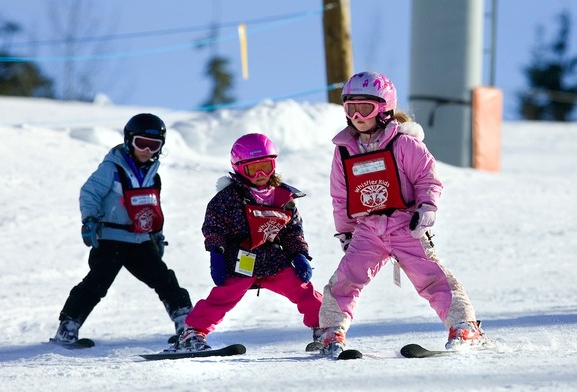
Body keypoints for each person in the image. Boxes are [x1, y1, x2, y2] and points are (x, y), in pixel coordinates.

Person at [317, 71, 487, 356]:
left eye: (365, 108)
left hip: (405, 225)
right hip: (368, 229)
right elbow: (340, 195)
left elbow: (427, 178)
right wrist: (345, 230)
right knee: (345, 280)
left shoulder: (403, 143)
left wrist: (427, 207)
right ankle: (331, 331)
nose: (357, 116)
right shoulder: (345, 150)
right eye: (351, 109)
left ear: (384, 110)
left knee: (432, 279)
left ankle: (463, 325)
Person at [169, 133, 323, 352]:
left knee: (303, 291)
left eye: (266, 167)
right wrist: (216, 253)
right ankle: (192, 332)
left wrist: (299, 254)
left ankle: (325, 327)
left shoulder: (283, 198)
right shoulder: (228, 198)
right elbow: (214, 226)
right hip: (242, 261)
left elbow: (292, 231)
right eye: (253, 169)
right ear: (239, 168)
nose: (260, 175)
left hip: (274, 260)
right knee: (223, 297)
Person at [50, 113, 192, 344]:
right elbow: (90, 193)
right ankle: (68, 327)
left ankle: (186, 325)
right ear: (129, 141)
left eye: (153, 145)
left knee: (164, 280)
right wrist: (89, 220)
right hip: (111, 238)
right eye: (141, 143)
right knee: (97, 282)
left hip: (140, 240)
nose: (146, 150)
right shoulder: (112, 168)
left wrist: (156, 234)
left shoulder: (153, 177)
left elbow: (152, 207)